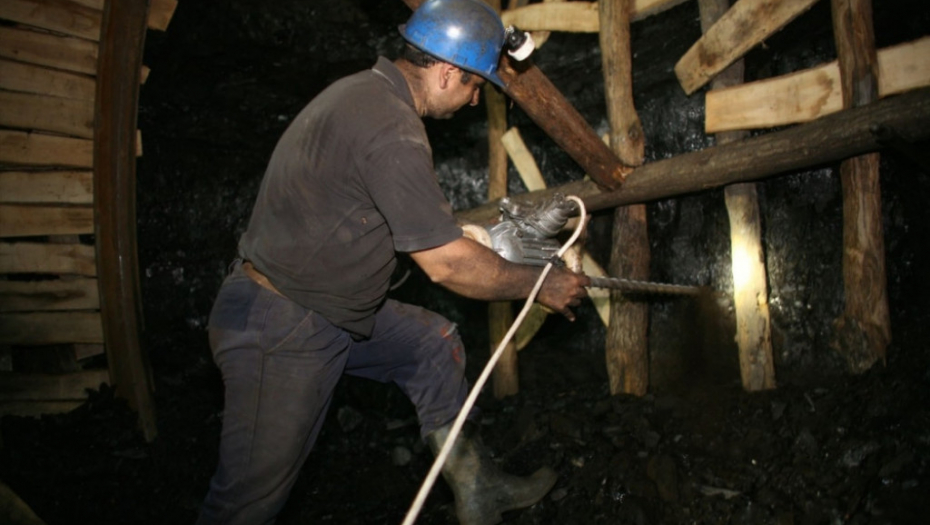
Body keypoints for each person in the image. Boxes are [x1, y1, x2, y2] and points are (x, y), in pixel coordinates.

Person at [197, 0, 590, 523]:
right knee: (246, 504)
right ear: (447, 72)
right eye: (475, 85)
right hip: (283, 324)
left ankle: (478, 488)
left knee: (432, 345)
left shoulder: (364, 96)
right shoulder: (391, 128)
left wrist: (466, 236)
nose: (475, 100)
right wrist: (542, 283)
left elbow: (389, 217)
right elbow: (446, 265)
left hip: (327, 310)